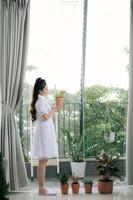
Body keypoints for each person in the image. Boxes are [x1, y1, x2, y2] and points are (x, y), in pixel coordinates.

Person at [30, 77, 59, 196]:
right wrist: (54, 109)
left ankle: (42, 188)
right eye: (46, 88)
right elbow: (46, 117)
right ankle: (41, 188)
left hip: (46, 131)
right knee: (42, 161)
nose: (48, 89)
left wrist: (53, 108)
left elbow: (46, 115)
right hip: (43, 133)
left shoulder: (43, 100)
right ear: (41, 90)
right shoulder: (40, 102)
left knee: (44, 160)